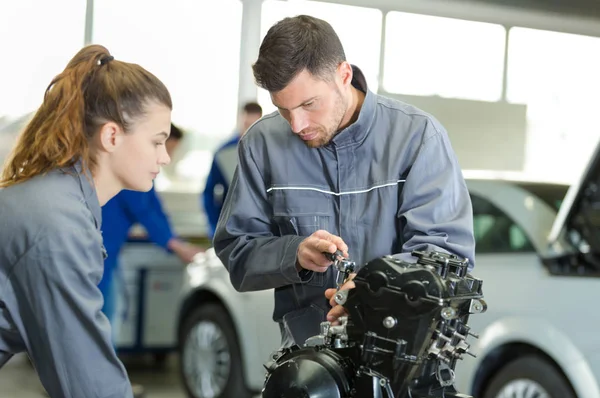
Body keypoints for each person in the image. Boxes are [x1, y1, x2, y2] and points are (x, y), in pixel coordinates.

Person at [213, 15, 476, 348]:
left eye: (309, 104)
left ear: (343, 75)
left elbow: (446, 254)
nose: (296, 125)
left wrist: (373, 291)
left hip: (402, 353)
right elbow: (236, 248)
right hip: (307, 359)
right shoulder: (261, 145)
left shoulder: (419, 138)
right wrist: (295, 253)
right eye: (283, 109)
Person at [0, 44, 172, 398]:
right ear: (111, 136)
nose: (165, 157)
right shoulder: (58, 225)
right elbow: (90, 386)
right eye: (157, 142)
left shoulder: (59, 202)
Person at [100, 122, 202, 346]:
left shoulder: (142, 170)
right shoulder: (133, 164)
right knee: (104, 318)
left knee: (109, 313)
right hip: (97, 252)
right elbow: (144, 210)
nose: (168, 158)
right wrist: (174, 245)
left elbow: (154, 206)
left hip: (108, 251)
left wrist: (174, 241)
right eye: (169, 149)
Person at [203, 101, 262, 237]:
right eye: (246, 124)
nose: (249, 131)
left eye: (254, 125)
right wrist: (214, 228)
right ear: (241, 120)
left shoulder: (270, 151)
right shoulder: (223, 153)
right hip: (231, 227)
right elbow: (208, 193)